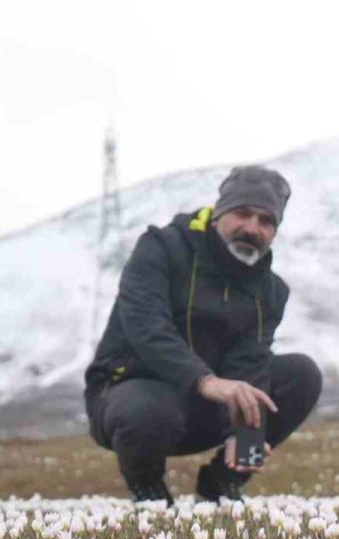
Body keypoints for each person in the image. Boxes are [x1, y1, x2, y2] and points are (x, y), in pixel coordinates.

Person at [83, 165, 322, 504]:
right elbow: (147, 327)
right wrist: (205, 381)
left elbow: (249, 361)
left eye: (266, 221)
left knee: (301, 374)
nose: (252, 228)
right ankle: (150, 496)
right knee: (147, 409)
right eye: (243, 213)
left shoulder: (270, 291)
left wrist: (245, 436)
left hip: (205, 409)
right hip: (132, 400)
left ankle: (220, 488)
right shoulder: (161, 248)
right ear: (218, 212)